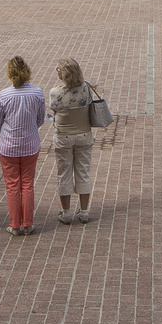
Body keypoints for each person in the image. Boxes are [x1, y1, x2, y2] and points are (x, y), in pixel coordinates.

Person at [0, 56, 46, 236]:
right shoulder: (37, 93)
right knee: (27, 184)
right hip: (30, 144)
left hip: (8, 145)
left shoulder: (4, 95)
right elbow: (41, 119)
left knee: (12, 185)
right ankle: (28, 224)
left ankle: (15, 224)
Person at [49, 58, 96, 224]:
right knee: (83, 172)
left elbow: (53, 109)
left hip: (63, 136)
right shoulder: (86, 89)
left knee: (64, 173)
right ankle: (84, 211)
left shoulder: (56, 93)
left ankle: (66, 212)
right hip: (84, 134)